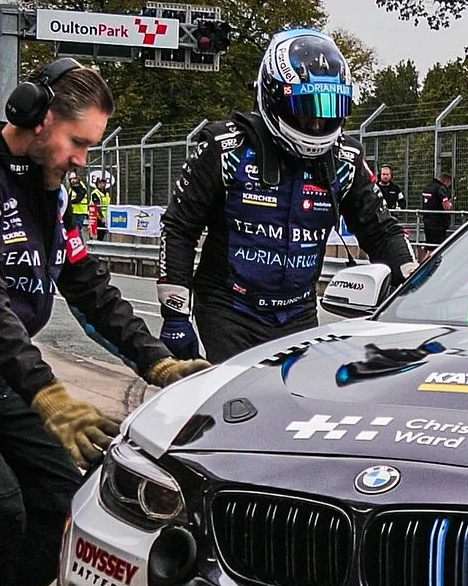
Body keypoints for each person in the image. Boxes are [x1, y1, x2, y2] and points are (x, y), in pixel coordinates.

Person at [0, 59, 207, 586]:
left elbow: (91, 288)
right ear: (37, 116)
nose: (83, 159)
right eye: (78, 142)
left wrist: (158, 362)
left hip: (5, 382)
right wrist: (51, 396)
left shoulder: (54, 195)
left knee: (62, 502)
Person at [156, 29, 416, 362]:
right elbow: (179, 228)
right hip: (230, 309)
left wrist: (414, 285)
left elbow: (381, 230)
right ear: (274, 95)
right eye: (307, 107)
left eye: (329, 107)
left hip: (298, 313)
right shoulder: (224, 149)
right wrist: (175, 314)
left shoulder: (345, 159)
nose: (319, 122)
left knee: (299, 405)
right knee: (243, 404)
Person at [420, 166, 454, 247]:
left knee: (429, 246)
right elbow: (446, 207)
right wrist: (450, 204)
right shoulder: (441, 188)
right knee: (438, 247)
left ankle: (426, 259)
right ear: (446, 182)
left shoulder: (427, 187)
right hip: (438, 223)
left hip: (427, 220)